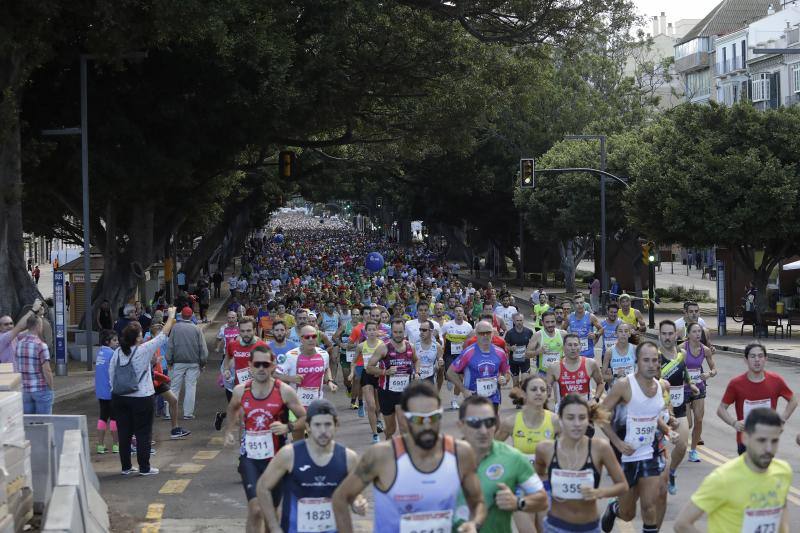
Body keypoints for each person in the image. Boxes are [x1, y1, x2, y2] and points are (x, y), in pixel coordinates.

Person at [332, 381, 487, 533]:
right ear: (405, 419)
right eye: (418, 419)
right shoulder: (381, 456)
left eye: (433, 418)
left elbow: (478, 502)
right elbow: (340, 498)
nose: (427, 426)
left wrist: (473, 523)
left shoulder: (461, 453)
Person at [223, 344, 307, 533]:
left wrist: (288, 426)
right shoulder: (240, 390)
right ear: (250, 366)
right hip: (250, 458)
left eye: (265, 364)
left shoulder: (284, 391)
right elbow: (233, 409)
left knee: (271, 514)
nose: (261, 369)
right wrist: (229, 430)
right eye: (257, 364)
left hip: (276, 460)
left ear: (272, 366)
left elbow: (305, 418)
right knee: (256, 509)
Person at [256, 399, 367, 533]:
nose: (323, 431)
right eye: (317, 425)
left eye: (327, 424)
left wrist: (358, 503)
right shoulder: (289, 455)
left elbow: (355, 493)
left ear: (336, 425)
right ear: (308, 426)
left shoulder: (348, 458)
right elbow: (263, 487)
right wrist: (274, 527)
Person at [674, 408, 792, 533]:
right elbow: (682, 524)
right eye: (761, 440)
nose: (768, 448)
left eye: (774, 441)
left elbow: (780, 512)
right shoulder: (722, 478)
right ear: (745, 438)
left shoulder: (783, 471)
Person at [599, 341, 670, 533]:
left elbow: (652, 416)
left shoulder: (660, 386)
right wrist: (618, 443)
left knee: (649, 506)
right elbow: (600, 415)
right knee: (628, 513)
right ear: (637, 361)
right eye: (646, 360)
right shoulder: (624, 385)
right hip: (625, 456)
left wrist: (668, 430)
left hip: (649, 452)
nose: (651, 364)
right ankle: (614, 508)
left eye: (654, 360)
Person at [453, 394, 548, 532]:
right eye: (474, 422)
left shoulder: (514, 458)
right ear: (461, 425)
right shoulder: (444, 459)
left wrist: (518, 502)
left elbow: (542, 499)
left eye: (489, 422)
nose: (483, 430)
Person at [535, 394, 628, 533]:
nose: (577, 423)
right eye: (570, 418)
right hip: (554, 527)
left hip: (589, 528)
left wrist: (599, 492)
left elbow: (623, 486)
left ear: (589, 420)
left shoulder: (599, 448)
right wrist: (549, 492)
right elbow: (538, 476)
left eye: (582, 418)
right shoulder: (545, 449)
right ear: (560, 419)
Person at [109, 307, 177, 476]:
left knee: (124, 433)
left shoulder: (117, 352)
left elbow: (112, 374)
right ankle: (144, 468)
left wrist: (116, 391)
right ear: (138, 337)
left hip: (119, 397)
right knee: (143, 433)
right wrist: (172, 315)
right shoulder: (143, 350)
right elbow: (163, 335)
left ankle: (126, 467)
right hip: (141, 397)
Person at [496, 375, 559, 532]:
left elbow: (570, 451)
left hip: (547, 486)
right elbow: (493, 449)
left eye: (542, 389)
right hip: (521, 486)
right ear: (523, 394)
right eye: (534, 389)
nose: (538, 393)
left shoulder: (555, 421)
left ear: (547, 394)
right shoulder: (511, 422)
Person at [716, 342, 797, 454]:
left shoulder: (776, 380)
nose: (757, 360)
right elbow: (721, 409)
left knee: (764, 471)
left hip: (768, 440)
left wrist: (782, 420)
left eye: (760, 356)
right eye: (752, 356)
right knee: (749, 471)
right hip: (746, 440)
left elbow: (793, 400)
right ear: (746, 360)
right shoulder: (736, 384)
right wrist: (734, 423)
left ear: (765, 359)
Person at [657, 319, 698, 496]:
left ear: (676, 335)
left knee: (682, 445)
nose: (667, 337)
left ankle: (671, 472)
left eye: (670, 334)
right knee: (656, 452)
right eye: (664, 334)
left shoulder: (681, 354)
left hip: (680, 407)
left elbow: (684, 371)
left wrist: (691, 383)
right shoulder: (655, 357)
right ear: (659, 335)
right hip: (659, 412)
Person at [276, 324, 337, 441]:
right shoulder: (290, 356)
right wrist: (291, 378)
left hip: (316, 403)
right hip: (296, 405)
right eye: (307, 337)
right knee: (298, 440)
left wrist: (329, 381)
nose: (311, 339)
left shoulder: (323, 354)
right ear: (300, 339)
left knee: (318, 438)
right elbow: (274, 374)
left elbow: (326, 368)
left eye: (314, 336)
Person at [366, 319, 420, 439]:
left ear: (404, 331)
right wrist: (385, 372)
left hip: (404, 392)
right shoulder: (383, 348)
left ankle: (404, 453)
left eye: (400, 332)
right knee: (391, 429)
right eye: (395, 332)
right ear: (391, 331)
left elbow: (416, 360)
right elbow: (369, 368)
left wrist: (417, 373)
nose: (398, 335)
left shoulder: (410, 346)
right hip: (387, 393)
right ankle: (388, 441)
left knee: (404, 427)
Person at [447, 320, 510, 415]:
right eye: (481, 333)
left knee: (491, 427)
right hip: (473, 399)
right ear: (476, 334)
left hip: (493, 398)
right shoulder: (468, 352)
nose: (485, 336)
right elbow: (450, 372)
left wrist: (505, 379)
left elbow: (507, 372)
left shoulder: (500, 352)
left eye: (488, 332)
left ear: (492, 333)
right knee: (475, 428)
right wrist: (463, 390)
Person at [165, 306, 208, 420]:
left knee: (174, 388)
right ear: (191, 315)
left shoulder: (175, 328)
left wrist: (169, 361)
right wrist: (202, 363)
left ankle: (169, 413)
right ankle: (188, 413)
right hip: (194, 363)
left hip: (177, 362)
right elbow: (202, 348)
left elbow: (170, 346)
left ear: (181, 315)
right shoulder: (196, 329)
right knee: (190, 387)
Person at [683, 322, 717, 462]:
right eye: (695, 332)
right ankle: (679, 441)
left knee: (699, 419)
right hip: (684, 388)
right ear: (688, 334)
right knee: (688, 424)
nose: (698, 334)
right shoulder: (681, 349)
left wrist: (708, 374)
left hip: (699, 387)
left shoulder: (705, 350)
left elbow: (714, 368)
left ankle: (693, 450)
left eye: (699, 332)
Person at [545, 334, 604, 408]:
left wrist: (595, 399)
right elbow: (546, 390)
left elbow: (601, 383)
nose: (573, 348)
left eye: (575, 345)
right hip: (563, 411)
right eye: (569, 345)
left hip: (585, 410)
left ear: (580, 347)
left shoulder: (590, 363)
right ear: (563, 348)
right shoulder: (554, 367)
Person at [15, 314, 55, 414]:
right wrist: (51, 387)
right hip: (40, 388)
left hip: (25, 389)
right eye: (41, 325)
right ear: (38, 326)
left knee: (28, 423)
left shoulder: (19, 344)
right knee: (43, 423)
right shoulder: (41, 345)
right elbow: (47, 370)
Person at [352, 321, 383, 443]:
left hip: (379, 375)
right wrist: (351, 372)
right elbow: (354, 361)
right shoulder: (361, 346)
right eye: (369, 330)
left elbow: (387, 360)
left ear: (377, 331)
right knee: (371, 405)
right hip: (367, 376)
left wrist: (383, 371)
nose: (371, 332)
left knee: (379, 405)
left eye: (373, 329)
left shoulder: (382, 345)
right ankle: (375, 434)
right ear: (365, 332)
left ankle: (379, 418)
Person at [440, 304, 473, 410]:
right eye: (457, 311)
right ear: (453, 313)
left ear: (463, 313)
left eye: (461, 311)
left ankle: (454, 400)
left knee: (459, 378)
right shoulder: (447, 325)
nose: (459, 313)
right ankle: (450, 380)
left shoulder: (468, 326)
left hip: (462, 355)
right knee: (450, 375)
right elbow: (441, 336)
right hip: (449, 354)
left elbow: (471, 341)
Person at [95, 329, 119, 454]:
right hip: (111, 391)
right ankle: (116, 445)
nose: (117, 342)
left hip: (100, 391)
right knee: (114, 418)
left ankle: (100, 445)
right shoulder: (112, 354)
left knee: (103, 417)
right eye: (114, 340)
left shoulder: (100, 353)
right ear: (107, 341)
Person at [0, 298, 42, 363]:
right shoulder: (2, 338)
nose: (10, 326)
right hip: (8, 372)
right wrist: (33, 310)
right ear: (0, 327)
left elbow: (32, 330)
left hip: (17, 372)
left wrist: (38, 315)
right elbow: (19, 327)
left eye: (11, 323)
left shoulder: (15, 337)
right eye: (6, 324)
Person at [528, 310, 564, 378]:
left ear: (555, 321)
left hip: (559, 372)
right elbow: (527, 355)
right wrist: (538, 351)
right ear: (542, 322)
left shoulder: (563, 334)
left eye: (552, 322)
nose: (550, 325)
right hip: (543, 373)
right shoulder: (537, 335)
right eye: (547, 322)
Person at [504, 313, 534, 392]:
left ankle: (523, 399)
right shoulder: (510, 333)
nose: (519, 322)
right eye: (517, 320)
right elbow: (505, 346)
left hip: (525, 360)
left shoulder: (529, 332)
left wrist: (532, 352)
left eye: (521, 320)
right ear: (514, 321)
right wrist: (511, 348)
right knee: (516, 384)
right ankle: (518, 401)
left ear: (523, 321)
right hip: (514, 361)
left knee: (525, 382)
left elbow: (534, 344)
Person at [566, 295, 603, 359]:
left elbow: (601, 329)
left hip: (588, 354)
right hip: (574, 354)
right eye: (577, 303)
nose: (579, 305)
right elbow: (562, 330)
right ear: (573, 305)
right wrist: (568, 336)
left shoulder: (591, 316)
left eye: (581, 302)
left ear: (584, 303)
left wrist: (595, 335)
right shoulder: (569, 317)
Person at [414, 318, 443, 385]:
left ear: (431, 331)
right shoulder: (415, 345)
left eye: (424, 330)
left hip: (430, 378)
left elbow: (441, 366)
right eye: (420, 329)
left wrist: (441, 363)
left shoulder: (437, 346)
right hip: (417, 378)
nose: (421, 332)